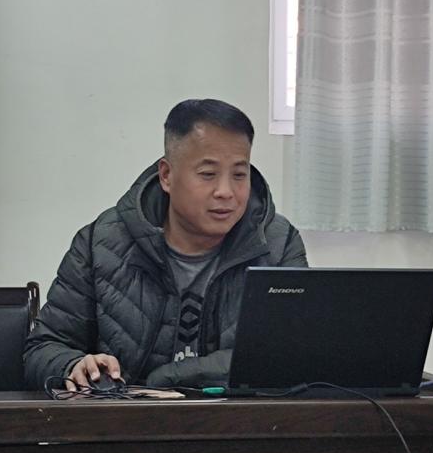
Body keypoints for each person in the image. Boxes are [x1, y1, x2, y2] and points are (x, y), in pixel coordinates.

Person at [24, 98, 308, 391]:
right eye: (207, 174)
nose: (226, 192)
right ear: (167, 176)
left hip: (239, 418)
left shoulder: (277, 244)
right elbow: (42, 349)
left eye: (239, 174)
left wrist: (168, 378)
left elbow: (295, 354)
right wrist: (72, 365)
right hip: (128, 417)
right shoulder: (101, 244)